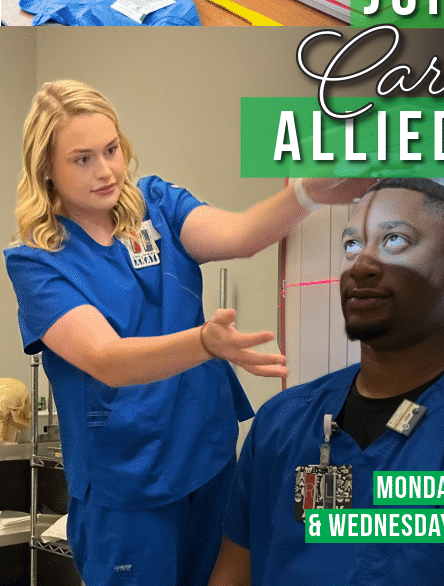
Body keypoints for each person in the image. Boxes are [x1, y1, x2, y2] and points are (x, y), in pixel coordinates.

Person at [3, 80, 371, 586]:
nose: (107, 170)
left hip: (206, 458)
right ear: (46, 168)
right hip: (127, 486)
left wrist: (307, 191)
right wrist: (203, 342)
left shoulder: (156, 202)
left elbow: (239, 235)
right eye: (82, 159)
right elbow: (106, 358)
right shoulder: (36, 260)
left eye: (111, 150)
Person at [209, 178, 444, 586]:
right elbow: (232, 573)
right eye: (352, 246)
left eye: (395, 240)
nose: (361, 264)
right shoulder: (282, 423)